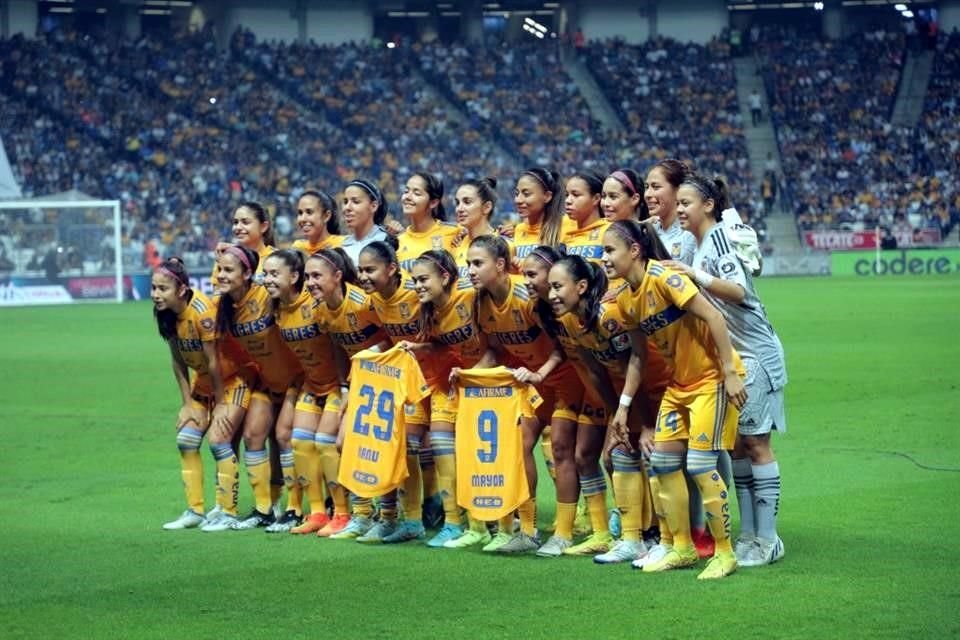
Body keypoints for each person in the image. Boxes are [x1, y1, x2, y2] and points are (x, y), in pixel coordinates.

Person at [603, 219, 747, 580]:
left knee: (699, 465)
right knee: (663, 464)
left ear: (634, 250)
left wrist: (730, 372)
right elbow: (637, 357)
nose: (603, 258)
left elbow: (715, 316)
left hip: (712, 380)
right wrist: (622, 407)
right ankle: (681, 548)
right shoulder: (624, 299)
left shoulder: (665, 278)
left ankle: (726, 553)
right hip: (679, 387)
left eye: (609, 250)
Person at [669, 173, 787, 567]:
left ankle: (769, 539)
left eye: (686, 203)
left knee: (756, 444)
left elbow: (739, 290)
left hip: (755, 354)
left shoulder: (719, 239)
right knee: (737, 445)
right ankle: (750, 536)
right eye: (678, 203)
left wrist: (696, 276)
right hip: (732, 356)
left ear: (707, 205)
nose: (680, 209)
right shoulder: (698, 242)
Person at [546, 253, 672, 564]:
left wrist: (642, 423)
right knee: (620, 452)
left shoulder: (610, 315)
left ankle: (665, 539)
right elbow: (596, 373)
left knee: (654, 455)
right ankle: (632, 540)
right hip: (630, 398)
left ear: (582, 286)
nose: (551, 295)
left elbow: (637, 365)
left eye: (557, 286)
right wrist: (617, 417)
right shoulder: (571, 322)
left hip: (658, 391)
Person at [465, 234, 585, 555]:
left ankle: (563, 533)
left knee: (561, 449)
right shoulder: (480, 303)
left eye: (478, 263)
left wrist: (539, 373)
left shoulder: (529, 296)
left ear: (501, 265)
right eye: (468, 265)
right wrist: (469, 375)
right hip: (534, 384)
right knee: (518, 447)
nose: (471, 271)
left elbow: (562, 346)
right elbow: (494, 351)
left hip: (566, 380)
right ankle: (529, 531)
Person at [644, 159, 723, 556]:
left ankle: (708, 530)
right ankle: (679, 531)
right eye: (647, 187)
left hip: (700, 350)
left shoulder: (689, 236)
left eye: (657, 186)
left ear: (679, 193)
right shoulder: (649, 231)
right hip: (667, 354)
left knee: (706, 450)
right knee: (673, 453)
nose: (649, 194)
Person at [203, 245, 305, 532]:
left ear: (248, 273)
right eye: (219, 270)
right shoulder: (224, 307)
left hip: (296, 379)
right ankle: (263, 510)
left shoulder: (265, 295)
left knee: (285, 440)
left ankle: (295, 509)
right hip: (266, 381)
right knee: (252, 436)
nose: (220, 276)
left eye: (228, 270)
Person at [521, 246, 615, 557]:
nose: (528, 282)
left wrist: (621, 407)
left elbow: (624, 361)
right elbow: (564, 349)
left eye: (534, 275)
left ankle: (640, 531)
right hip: (588, 386)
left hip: (608, 389)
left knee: (615, 458)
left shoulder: (600, 312)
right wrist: (541, 373)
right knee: (580, 454)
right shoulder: (552, 312)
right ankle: (579, 532)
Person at [152, 257, 253, 531]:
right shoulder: (165, 313)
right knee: (186, 439)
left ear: (181, 290)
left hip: (231, 383)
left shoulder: (202, 312)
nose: (156, 295)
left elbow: (214, 362)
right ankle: (195, 510)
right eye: (154, 288)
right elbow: (177, 360)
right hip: (203, 387)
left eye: (162, 289)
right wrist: (187, 404)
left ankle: (228, 512)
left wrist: (221, 405)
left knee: (219, 440)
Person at [405, 249, 492, 548]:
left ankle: (486, 520)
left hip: (485, 387)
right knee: (443, 451)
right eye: (415, 280)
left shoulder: (471, 298)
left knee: (478, 455)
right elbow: (442, 346)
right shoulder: (427, 310)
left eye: (424, 279)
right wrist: (420, 349)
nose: (418, 285)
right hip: (449, 386)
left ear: (445, 276)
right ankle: (454, 523)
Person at [261, 249, 351, 536]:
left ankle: (343, 513)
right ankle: (316, 513)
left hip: (337, 384)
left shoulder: (315, 305)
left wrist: (345, 385)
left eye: (275, 274)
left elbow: (339, 345)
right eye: (266, 274)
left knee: (325, 442)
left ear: (294, 276)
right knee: (299, 442)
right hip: (311, 385)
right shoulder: (276, 310)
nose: (268, 279)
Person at [305, 247, 391, 539]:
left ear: (338, 276)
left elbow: (393, 336)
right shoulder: (320, 309)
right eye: (307, 276)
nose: (310, 282)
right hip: (359, 383)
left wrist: (370, 353)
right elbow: (338, 348)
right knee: (343, 443)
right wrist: (344, 386)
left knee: (365, 444)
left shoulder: (363, 303)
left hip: (386, 378)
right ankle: (362, 514)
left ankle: (385, 513)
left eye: (316, 275)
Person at [356, 240, 434, 544]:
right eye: (361, 270)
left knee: (424, 448)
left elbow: (440, 336)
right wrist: (372, 351)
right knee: (400, 445)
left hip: (435, 379)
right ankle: (403, 518)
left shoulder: (416, 294)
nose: (363, 276)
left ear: (391, 269)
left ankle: (428, 516)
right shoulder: (375, 301)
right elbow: (393, 339)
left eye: (370, 270)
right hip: (406, 382)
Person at [395, 172, 460, 276]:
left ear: (433, 203)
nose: (407, 197)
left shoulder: (455, 232)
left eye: (417, 193)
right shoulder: (397, 241)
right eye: (406, 191)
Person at [560, 171, 608, 266]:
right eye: (567, 195)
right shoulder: (562, 230)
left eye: (576, 195)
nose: (568, 201)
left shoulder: (611, 230)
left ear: (596, 198)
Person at [340, 179, 391, 266]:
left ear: (373, 206)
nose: (347, 208)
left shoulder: (387, 241)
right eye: (345, 202)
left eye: (356, 202)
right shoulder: (342, 245)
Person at [291, 190, 345, 255]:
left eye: (309, 212)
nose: (303, 219)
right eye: (300, 213)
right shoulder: (298, 247)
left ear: (326, 216)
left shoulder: (342, 244)